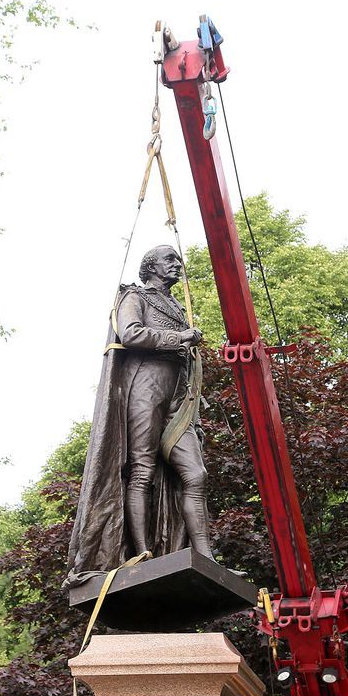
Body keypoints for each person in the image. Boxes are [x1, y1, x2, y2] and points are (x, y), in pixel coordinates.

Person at [64, 245, 212, 587]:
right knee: (141, 470)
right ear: (152, 267)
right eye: (170, 260)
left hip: (177, 394)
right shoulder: (135, 296)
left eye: (178, 259)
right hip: (145, 384)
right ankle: (142, 553)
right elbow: (130, 333)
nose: (178, 265)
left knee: (196, 474)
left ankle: (205, 556)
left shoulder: (176, 305)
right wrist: (181, 337)